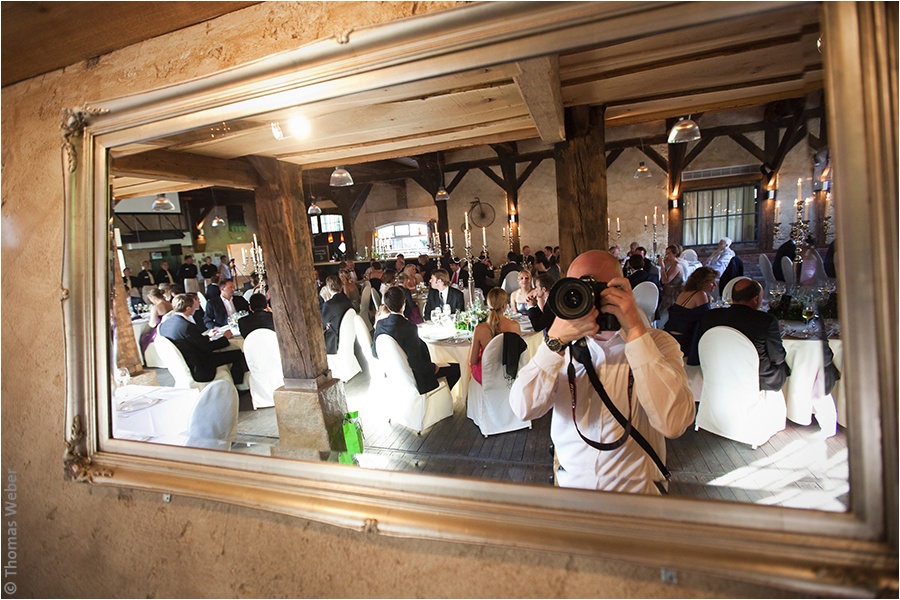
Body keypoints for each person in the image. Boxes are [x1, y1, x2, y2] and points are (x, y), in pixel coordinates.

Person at [509, 249, 694, 494]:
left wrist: (636, 332)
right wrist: (555, 341)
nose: (591, 296)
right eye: (579, 287)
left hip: (638, 497)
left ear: (623, 289)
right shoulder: (560, 348)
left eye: (600, 288)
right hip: (570, 492)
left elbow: (674, 423)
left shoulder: (658, 344)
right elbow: (523, 408)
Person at [694, 278, 790, 391]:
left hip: (718, 373)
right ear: (756, 299)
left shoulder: (710, 316)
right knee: (784, 368)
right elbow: (777, 358)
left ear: (733, 297)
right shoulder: (766, 320)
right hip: (757, 378)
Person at [372, 286, 460, 393]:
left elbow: (375, 352)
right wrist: (433, 368)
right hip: (416, 378)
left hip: (395, 376)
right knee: (456, 369)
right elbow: (416, 363)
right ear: (404, 303)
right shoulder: (409, 327)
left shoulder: (381, 325)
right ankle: (440, 397)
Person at [159, 294, 248, 385]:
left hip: (185, 361)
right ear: (188, 309)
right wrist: (225, 338)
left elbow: (192, 341)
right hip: (200, 365)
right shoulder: (187, 327)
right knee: (238, 354)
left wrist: (208, 336)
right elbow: (207, 348)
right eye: (193, 305)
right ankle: (238, 385)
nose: (195, 307)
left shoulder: (166, 324)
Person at [469, 288, 521, 385]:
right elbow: (518, 355)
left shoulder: (479, 329)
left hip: (486, 375)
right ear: (504, 305)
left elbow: (473, 360)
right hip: (507, 373)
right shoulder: (515, 326)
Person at [665, 266, 717, 360]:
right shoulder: (700, 294)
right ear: (703, 282)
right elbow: (707, 318)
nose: (715, 284)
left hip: (671, 334)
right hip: (684, 340)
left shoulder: (685, 292)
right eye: (712, 282)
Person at [320, 276, 353, 355]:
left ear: (328, 287)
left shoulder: (329, 304)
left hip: (334, 339)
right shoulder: (347, 300)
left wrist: (328, 324)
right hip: (348, 333)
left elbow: (321, 324)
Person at [657, 244, 688, 319]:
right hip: (667, 291)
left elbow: (665, 281)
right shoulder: (671, 264)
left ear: (675, 254)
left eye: (668, 253)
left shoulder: (677, 266)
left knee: (665, 313)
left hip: (673, 293)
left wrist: (662, 268)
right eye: (666, 253)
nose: (666, 256)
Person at [139, 288, 173, 355]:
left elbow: (152, 324)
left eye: (150, 299)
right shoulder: (170, 303)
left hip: (161, 330)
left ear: (154, 298)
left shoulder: (155, 308)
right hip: (171, 327)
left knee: (144, 338)